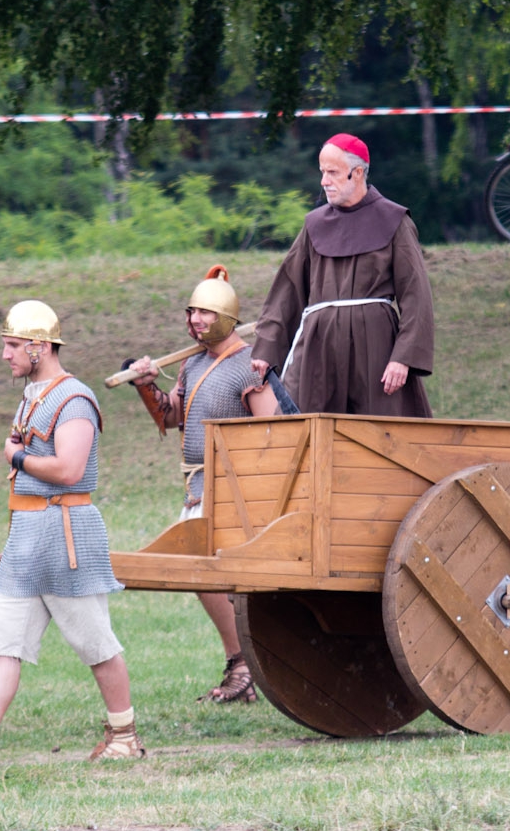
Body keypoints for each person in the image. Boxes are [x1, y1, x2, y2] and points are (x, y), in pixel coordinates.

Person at [0, 301, 144, 766]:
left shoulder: (74, 398)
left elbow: (69, 468)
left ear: (40, 348)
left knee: (96, 643)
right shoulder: (32, 397)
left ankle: (124, 735)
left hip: (65, 536)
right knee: (4, 643)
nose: (5, 355)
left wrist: (16, 458)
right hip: (27, 537)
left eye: (13, 345)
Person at [125, 266, 279, 703]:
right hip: (197, 487)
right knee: (200, 575)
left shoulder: (249, 366)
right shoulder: (192, 363)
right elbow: (173, 416)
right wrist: (146, 386)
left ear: (227, 318)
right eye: (192, 312)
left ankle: (245, 663)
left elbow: (275, 430)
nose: (195, 321)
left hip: (232, 490)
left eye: (205, 315)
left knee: (207, 573)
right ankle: (241, 661)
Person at [250, 133, 434, 418]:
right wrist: (267, 347)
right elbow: (287, 291)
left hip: (376, 351)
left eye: (332, 172)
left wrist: (403, 358)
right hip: (318, 350)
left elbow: (416, 296)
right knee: (306, 431)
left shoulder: (394, 221)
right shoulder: (314, 225)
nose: (324, 181)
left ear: (357, 173)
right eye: (322, 172)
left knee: (382, 436)